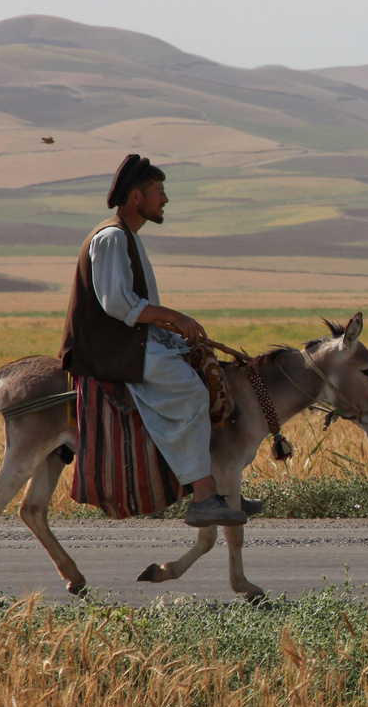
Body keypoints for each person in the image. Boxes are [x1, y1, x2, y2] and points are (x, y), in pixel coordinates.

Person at [58, 154, 247, 527]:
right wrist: (173, 317)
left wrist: (173, 332)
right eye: (159, 191)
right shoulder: (112, 238)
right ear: (136, 198)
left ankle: (216, 484)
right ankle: (204, 498)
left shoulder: (128, 237)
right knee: (192, 392)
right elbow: (117, 304)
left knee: (206, 371)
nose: (165, 199)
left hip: (128, 342)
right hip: (109, 350)